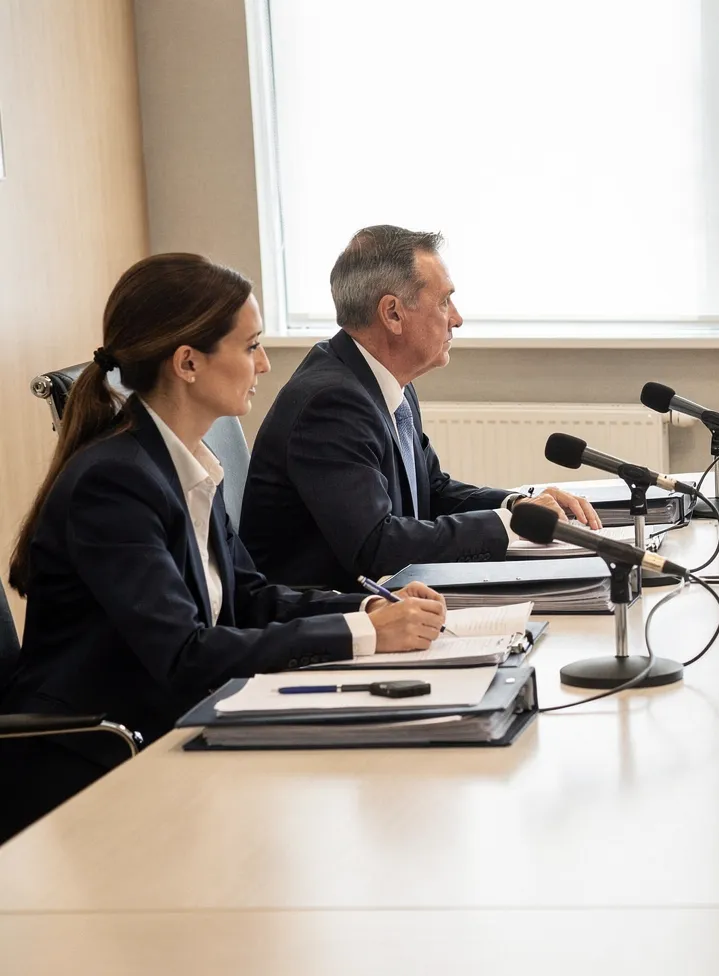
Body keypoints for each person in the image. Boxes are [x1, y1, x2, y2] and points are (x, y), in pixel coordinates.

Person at [2, 254, 446, 841]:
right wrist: (363, 636)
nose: (264, 363)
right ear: (188, 362)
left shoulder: (178, 465)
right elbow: (185, 655)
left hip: (174, 728)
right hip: (99, 762)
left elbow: (250, 597)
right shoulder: (114, 483)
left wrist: (368, 609)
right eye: (251, 345)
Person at [239, 226, 600, 589]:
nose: (456, 318)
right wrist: (507, 527)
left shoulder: (385, 381)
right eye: (444, 301)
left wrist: (517, 506)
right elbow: (376, 544)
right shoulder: (332, 403)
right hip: (327, 618)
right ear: (393, 314)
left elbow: (434, 491)